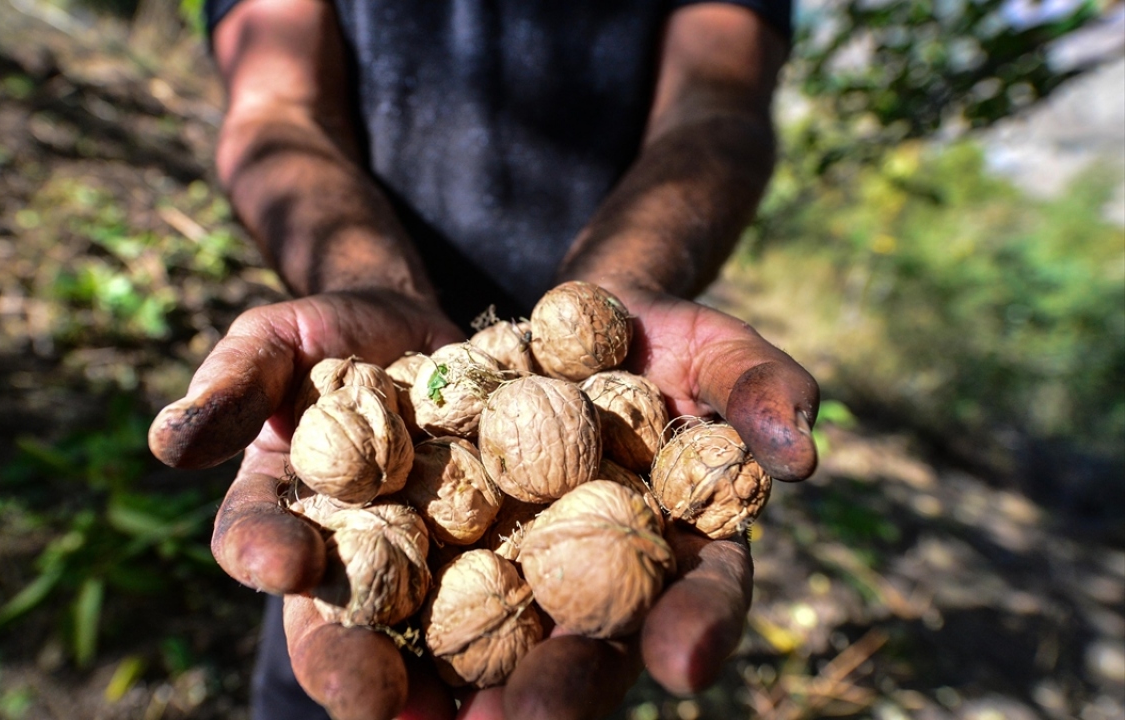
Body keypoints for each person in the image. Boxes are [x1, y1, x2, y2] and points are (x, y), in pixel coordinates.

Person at [148, 0, 819, 718]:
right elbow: (275, 110)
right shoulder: (386, 442)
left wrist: (626, 287)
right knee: (329, 646)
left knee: (555, 687)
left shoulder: (585, 437)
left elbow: (717, 109)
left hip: (600, 338)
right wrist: (370, 284)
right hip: (389, 331)